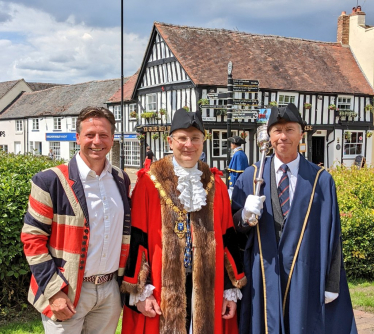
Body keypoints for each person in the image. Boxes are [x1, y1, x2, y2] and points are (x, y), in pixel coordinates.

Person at [232, 103, 357, 334]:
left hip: (306, 276)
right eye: (277, 130)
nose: (283, 137)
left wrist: (331, 284)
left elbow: (333, 235)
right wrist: (243, 217)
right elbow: (231, 234)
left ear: (301, 133)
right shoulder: (251, 176)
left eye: (290, 129)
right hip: (263, 278)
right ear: (269, 136)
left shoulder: (321, 181)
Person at [121, 108, 246, 334]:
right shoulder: (149, 182)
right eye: (182, 138)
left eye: (195, 138)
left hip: (209, 285)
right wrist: (141, 290)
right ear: (170, 142)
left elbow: (227, 238)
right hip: (160, 285)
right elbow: (137, 237)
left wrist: (230, 288)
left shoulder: (216, 184)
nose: (189, 144)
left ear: (203, 142)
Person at [21, 106, 132, 334]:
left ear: (112, 138)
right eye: (90, 135)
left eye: (103, 135)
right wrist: (53, 291)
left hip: (110, 290)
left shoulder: (121, 179)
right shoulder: (50, 180)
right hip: (67, 291)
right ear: (78, 137)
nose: (96, 141)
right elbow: (32, 239)